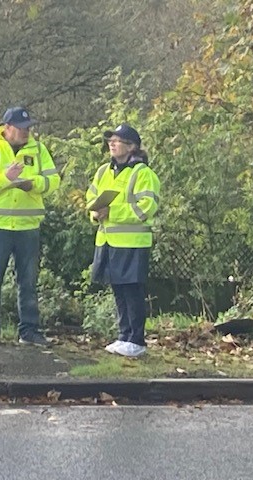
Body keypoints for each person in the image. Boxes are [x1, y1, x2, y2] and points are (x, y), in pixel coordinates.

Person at [0, 107, 60, 347]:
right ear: (7, 127)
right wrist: (5, 179)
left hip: (28, 226)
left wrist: (34, 184)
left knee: (28, 283)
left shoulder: (39, 150)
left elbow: (53, 181)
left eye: (28, 127)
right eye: (21, 128)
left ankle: (29, 331)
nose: (26, 132)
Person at [86, 123, 160, 358]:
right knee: (118, 289)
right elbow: (91, 198)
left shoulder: (143, 174)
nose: (111, 143)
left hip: (132, 243)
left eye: (117, 140)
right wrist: (94, 213)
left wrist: (112, 212)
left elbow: (146, 208)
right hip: (108, 240)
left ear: (132, 147)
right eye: (110, 140)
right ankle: (123, 335)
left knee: (132, 291)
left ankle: (136, 340)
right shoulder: (102, 171)